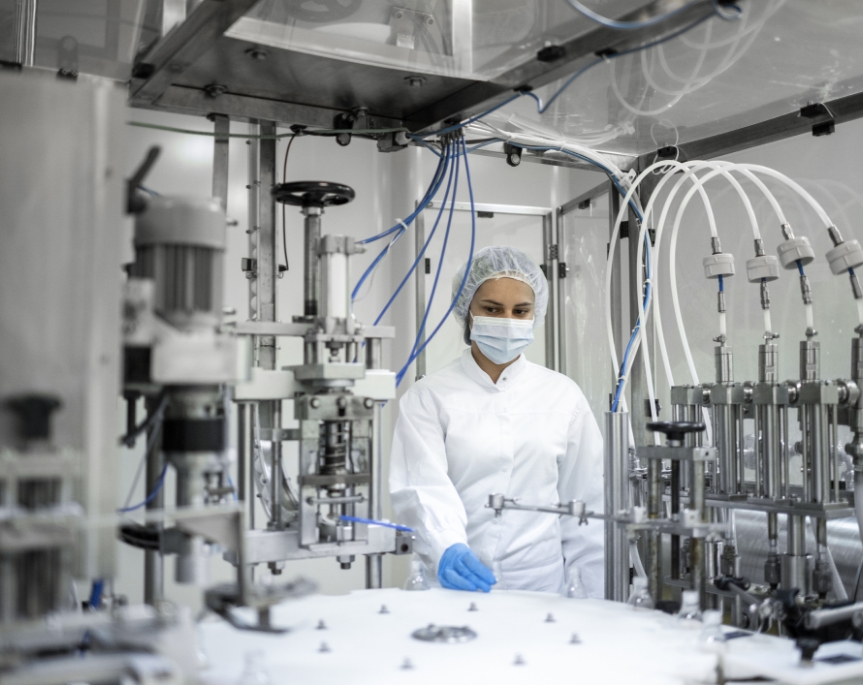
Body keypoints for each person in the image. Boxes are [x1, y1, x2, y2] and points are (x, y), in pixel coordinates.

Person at [389, 245, 604, 596]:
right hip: (454, 584)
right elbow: (422, 487)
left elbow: (587, 505)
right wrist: (447, 547)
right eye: (492, 309)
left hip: (542, 589)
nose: (507, 321)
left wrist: (593, 600)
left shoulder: (563, 396)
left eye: (521, 311)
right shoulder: (429, 397)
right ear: (468, 311)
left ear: (536, 314)